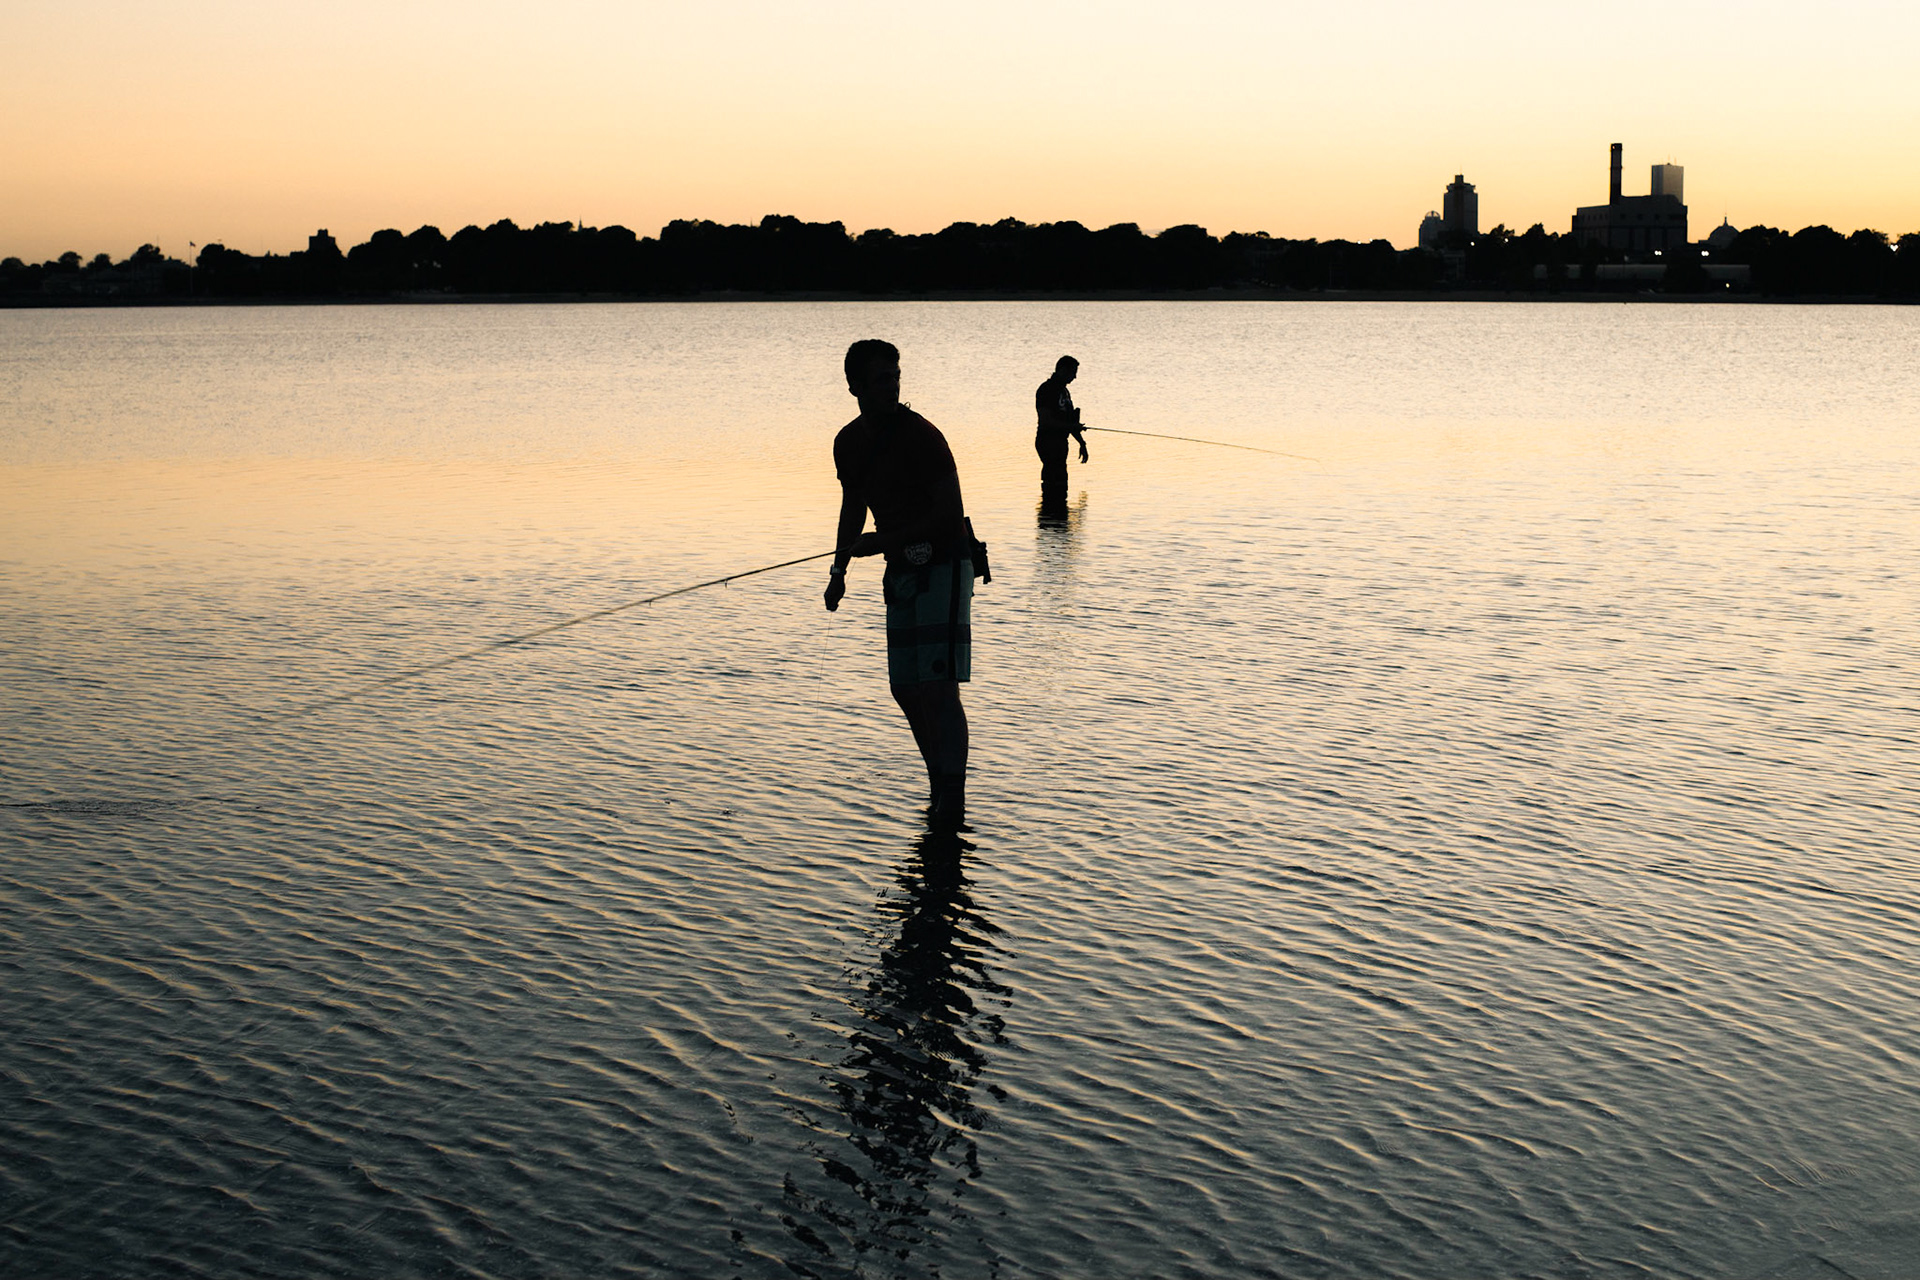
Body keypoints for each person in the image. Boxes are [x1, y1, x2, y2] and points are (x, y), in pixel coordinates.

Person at [825, 339, 977, 827]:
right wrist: (838, 571)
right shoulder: (848, 443)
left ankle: (951, 799)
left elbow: (949, 514)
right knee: (906, 688)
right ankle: (938, 783)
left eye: (895, 377)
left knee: (937, 688)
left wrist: (884, 540)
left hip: (945, 563)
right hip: (901, 569)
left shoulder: (922, 437)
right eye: (880, 379)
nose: (891, 387)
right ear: (855, 387)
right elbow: (853, 507)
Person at [1034, 355, 1089, 507]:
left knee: (1061, 480)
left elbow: (1070, 421)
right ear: (1062, 370)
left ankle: (1059, 513)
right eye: (1073, 372)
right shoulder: (1046, 390)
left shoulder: (1064, 392)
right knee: (1053, 479)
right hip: (1047, 441)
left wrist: (1082, 443)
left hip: (1061, 442)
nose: (1075, 377)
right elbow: (1046, 421)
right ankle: (1051, 513)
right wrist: (1071, 427)